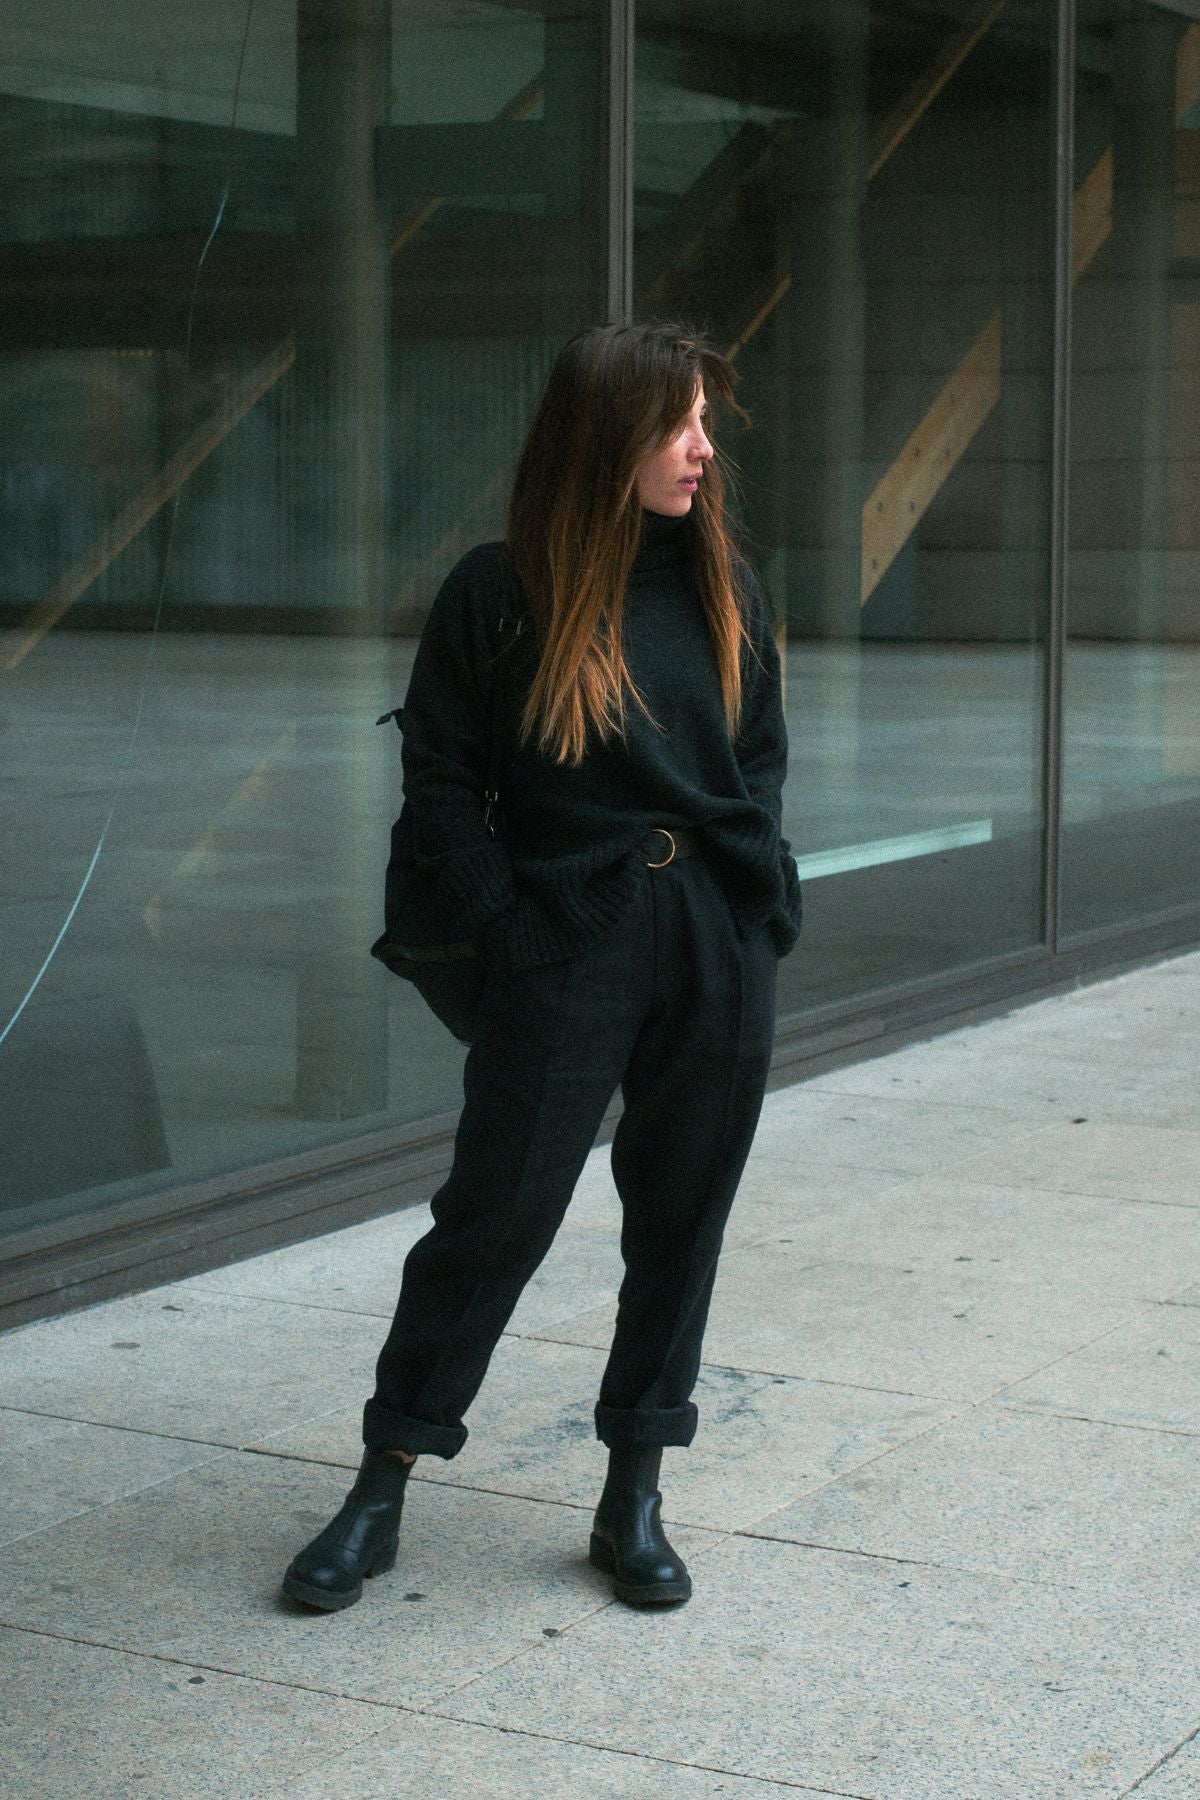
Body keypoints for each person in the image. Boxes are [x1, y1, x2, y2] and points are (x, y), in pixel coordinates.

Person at [281, 321, 802, 1614]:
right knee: (497, 1214)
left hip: (714, 941)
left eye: (705, 421)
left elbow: (759, 762)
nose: (702, 447)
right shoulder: (500, 591)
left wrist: (759, 909)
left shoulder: (727, 582)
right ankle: (383, 1483)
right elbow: (442, 781)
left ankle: (635, 1496)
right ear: (605, 435)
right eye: (677, 422)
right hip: (569, 940)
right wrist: (511, 933)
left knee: (681, 1220)